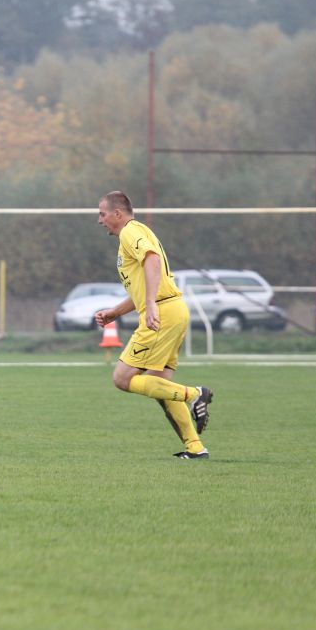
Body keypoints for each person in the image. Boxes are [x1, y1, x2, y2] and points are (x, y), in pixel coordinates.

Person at [94, 191, 214, 459]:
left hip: (161, 312)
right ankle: (195, 449)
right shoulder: (136, 231)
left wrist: (150, 304)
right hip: (173, 310)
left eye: (102, 214)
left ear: (117, 214)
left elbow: (152, 259)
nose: (99, 220)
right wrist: (115, 312)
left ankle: (195, 394)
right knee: (160, 386)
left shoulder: (129, 232)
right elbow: (143, 281)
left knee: (122, 378)